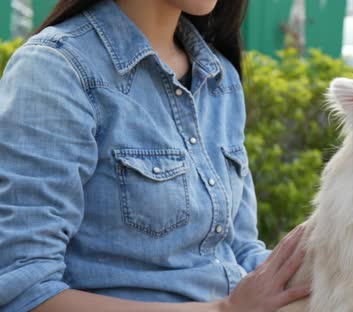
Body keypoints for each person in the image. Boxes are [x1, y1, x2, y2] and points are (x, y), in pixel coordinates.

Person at [0, 0, 309, 311]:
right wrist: (225, 309)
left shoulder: (220, 77)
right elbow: (25, 291)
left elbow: (239, 252)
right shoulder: (56, 68)